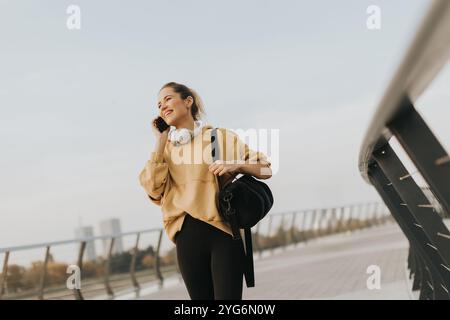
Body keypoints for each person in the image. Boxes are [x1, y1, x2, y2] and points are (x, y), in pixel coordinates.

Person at [139, 81, 272, 300]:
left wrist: (236, 165)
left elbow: (265, 168)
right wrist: (160, 141)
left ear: (188, 101)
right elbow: (153, 190)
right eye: (159, 104)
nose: (162, 106)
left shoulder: (218, 138)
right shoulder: (165, 150)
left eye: (168, 99)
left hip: (223, 234)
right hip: (187, 240)